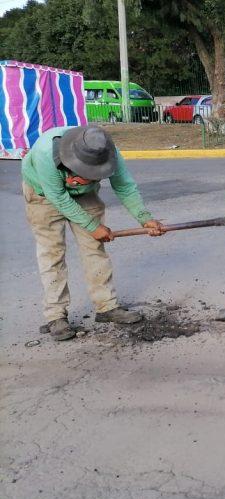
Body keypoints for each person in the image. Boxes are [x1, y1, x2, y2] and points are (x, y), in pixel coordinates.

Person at [21, 126, 165, 341]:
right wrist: (92, 226)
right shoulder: (45, 153)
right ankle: (56, 316)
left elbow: (124, 186)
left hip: (85, 195)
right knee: (52, 254)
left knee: (95, 249)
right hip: (44, 195)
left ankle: (106, 307)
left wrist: (145, 218)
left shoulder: (108, 152)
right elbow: (58, 197)